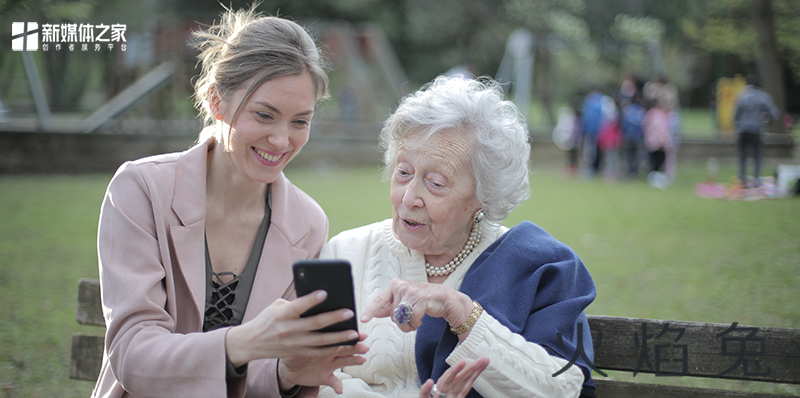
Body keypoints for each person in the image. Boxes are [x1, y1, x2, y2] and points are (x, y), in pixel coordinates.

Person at [93, 7, 368, 398]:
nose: (281, 140)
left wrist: (289, 374)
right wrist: (240, 343)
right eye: (264, 114)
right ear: (215, 101)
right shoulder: (140, 189)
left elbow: (258, 379)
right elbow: (133, 356)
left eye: (300, 121)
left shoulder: (307, 223)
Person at [319, 76, 597, 398]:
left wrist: (462, 312)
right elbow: (313, 376)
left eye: (436, 183)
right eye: (403, 172)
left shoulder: (537, 266)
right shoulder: (345, 253)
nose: (409, 197)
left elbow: (565, 389)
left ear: (485, 195)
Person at [734, 74, 781, 187]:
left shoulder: (741, 96)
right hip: (756, 129)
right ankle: (756, 179)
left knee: (742, 155)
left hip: (743, 130)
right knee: (757, 155)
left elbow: (736, 115)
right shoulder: (763, 97)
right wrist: (767, 121)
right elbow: (775, 114)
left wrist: (738, 125)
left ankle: (742, 178)